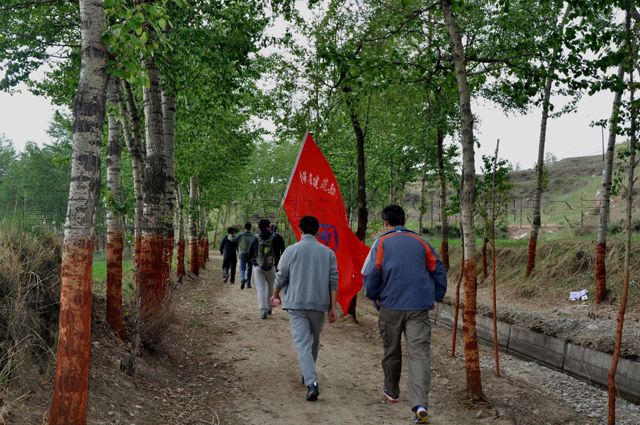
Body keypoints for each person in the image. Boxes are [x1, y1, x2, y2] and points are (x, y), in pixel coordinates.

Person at [362, 204, 447, 424]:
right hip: (418, 307)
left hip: (390, 306)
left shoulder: (381, 243)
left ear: (385, 222)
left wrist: (373, 295)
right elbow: (438, 269)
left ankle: (392, 390)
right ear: (404, 220)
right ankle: (420, 405)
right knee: (419, 355)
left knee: (391, 350)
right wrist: (437, 295)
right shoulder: (421, 242)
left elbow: (371, 273)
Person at [271, 215, 338, 402]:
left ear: (300, 230)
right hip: (319, 304)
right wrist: (333, 307)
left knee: (302, 343)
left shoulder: (291, 250)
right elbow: (333, 281)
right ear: (318, 231)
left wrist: (275, 294)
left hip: (296, 304)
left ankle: (311, 381)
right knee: (314, 341)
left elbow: (281, 275)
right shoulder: (328, 253)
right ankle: (308, 374)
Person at [251, 219, 277, 319]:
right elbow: (280, 252)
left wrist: (254, 260)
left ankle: (263, 310)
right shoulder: (275, 237)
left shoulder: (255, 238)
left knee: (261, 288)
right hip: (271, 266)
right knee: (271, 287)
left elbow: (250, 252)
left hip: (258, 266)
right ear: (268, 226)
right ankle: (270, 307)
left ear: (259, 227)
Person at [236, 222, 256, 289]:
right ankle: (248, 284)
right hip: (251, 254)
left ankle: (242, 279)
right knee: (249, 269)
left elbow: (233, 240)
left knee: (242, 268)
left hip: (242, 253)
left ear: (244, 227)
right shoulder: (253, 236)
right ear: (250, 228)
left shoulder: (240, 235)